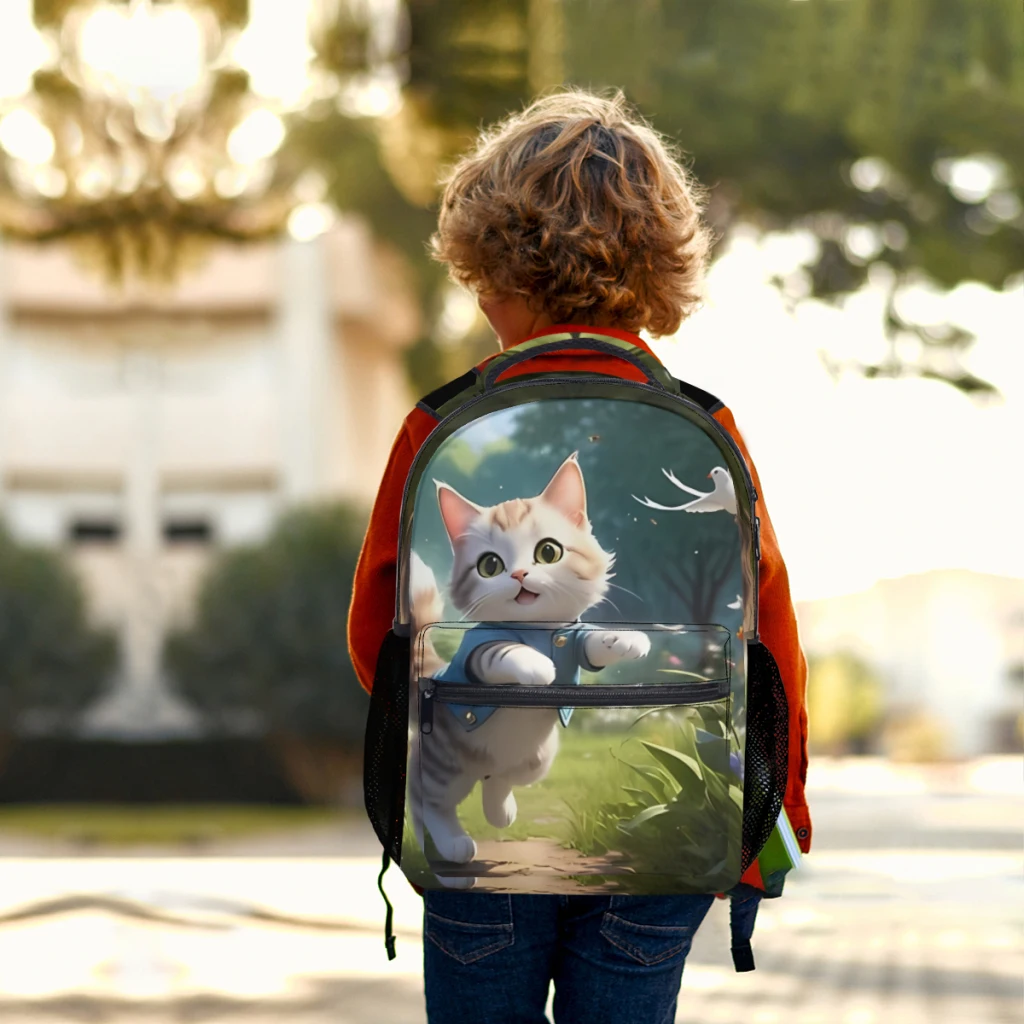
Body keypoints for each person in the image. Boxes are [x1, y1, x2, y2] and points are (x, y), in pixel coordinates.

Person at [348, 88, 810, 1024]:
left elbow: (376, 636)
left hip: (482, 839)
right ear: (661, 270)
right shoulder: (706, 424)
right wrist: (774, 813)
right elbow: (770, 633)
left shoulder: (436, 424)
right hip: (665, 838)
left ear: (487, 272)